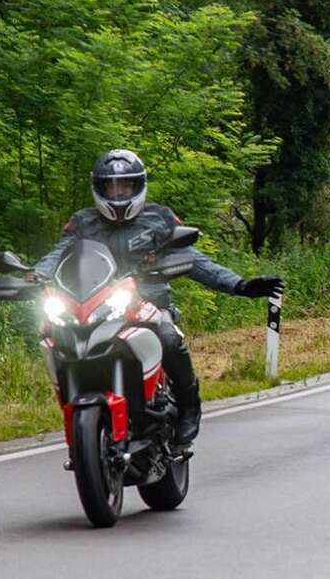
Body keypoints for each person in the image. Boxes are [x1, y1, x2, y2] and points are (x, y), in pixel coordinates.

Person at [32, 149, 283, 448]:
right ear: (99, 188)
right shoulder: (83, 223)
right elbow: (59, 254)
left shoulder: (158, 218)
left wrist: (238, 285)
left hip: (147, 304)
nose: (118, 192)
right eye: (110, 186)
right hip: (93, 307)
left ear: (137, 186)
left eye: (125, 185)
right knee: (56, 336)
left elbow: (192, 258)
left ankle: (190, 406)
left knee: (168, 337)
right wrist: (34, 275)